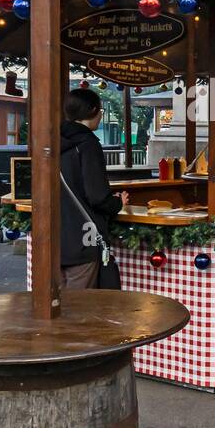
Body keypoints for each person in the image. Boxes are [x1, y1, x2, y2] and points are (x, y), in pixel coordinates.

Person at [60, 88, 128, 288]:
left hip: (54, 240)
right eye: (101, 111)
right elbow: (97, 196)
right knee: (81, 308)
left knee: (58, 308)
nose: (100, 115)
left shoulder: (53, 141)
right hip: (83, 240)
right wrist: (117, 202)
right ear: (92, 111)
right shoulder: (88, 144)